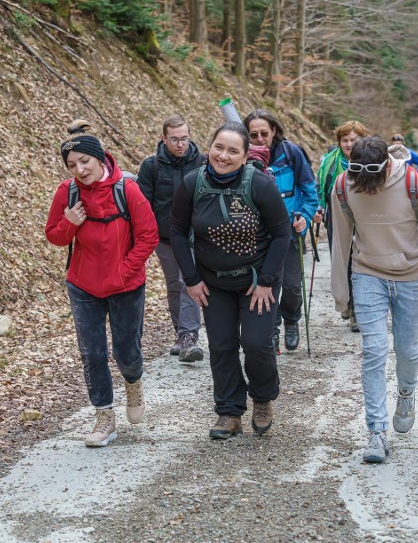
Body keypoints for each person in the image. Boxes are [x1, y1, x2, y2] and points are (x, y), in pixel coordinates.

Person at [331, 136, 418, 464]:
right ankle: (376, 431)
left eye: (374, 182)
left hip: (410, 275)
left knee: (407, 350)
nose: (368, 190)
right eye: (362, 183)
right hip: (367, 272)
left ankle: (406, 393)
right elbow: (340, 241)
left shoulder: (415, 184)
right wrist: (341, 294)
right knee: (373, 349)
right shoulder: (343, 186)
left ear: (386, 167)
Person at [170, 122, 290, 439]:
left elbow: (282, 233)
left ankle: (262, 398)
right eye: (219, 147)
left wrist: (266, 280)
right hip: (213, 282)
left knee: (256, 343)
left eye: (233, 151)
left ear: (245, 155)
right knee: (222, 346)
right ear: (209, 147)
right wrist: (192, 278)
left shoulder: (260, 185)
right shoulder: (192, 184)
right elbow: (178, 233)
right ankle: (228, 412)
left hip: (256, 281)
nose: (223, 156)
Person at [45, 120, 159, 447]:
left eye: (85, 162)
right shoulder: (66, 193)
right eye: (72, 165)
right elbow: (53, 235)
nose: (80, 170)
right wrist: (69, 224)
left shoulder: (128, 189)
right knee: (92, 353)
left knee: (126, 351)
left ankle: (133, 382)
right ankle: (104, 417)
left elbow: (148, 235)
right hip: (83, 286)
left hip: (126, 285)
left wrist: (125, 271)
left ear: (99, 158)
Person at [244, 109, 319, 353]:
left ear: (274, 131)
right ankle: (271, 331)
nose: (259, 138)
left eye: (264, 133)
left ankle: (292, 320)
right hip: (257, 235)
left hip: (289, 231)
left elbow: (309, 193)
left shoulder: (291, 153)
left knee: (291, 285)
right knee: (265, 285)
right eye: (253, 134)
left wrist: (305, 216)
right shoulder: (242, 156)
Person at [137, 115, 205, 363]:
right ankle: (181, 335)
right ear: (164, 138)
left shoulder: (203, 163)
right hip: (164, 237)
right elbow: (142, 204)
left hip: (195, 236)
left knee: (187, 280)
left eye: (184, 138)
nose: (180, 144)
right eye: (174, 139)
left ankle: (189, 337)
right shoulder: (151, 166)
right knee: (174, 285)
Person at [316, 120, 369, 331]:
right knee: (342, 261)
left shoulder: (370, 161)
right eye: (344, 140)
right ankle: (345, 301)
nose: (348, 145)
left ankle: (357, 310)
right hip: (336, 219)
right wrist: (318, 208)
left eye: (353, 140)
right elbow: (320, 186)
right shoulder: (329, 162)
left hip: (365, 219)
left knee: (360, 263)